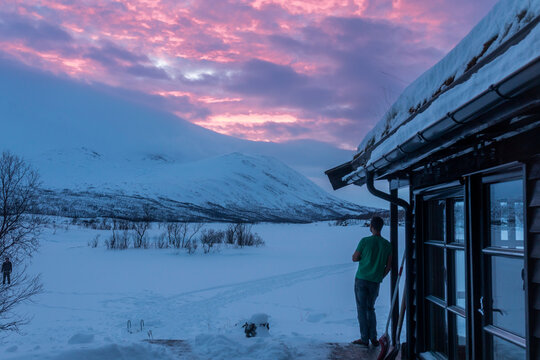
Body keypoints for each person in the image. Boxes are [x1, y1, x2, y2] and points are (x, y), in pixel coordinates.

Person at [351, 216, 392, 347]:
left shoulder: (364, 241)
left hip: (361, 279)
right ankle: (373, 338)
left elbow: (354, 258)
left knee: (361, 309)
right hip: (375, 282)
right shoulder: (387, 245)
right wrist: (379, 276)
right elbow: (389, 266)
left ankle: (364, 339)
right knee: (371, 309)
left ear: (371, 227)